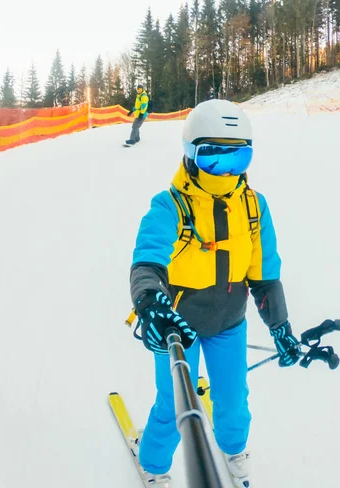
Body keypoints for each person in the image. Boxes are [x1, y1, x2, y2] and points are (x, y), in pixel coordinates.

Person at [129, 99, 301, 487]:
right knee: (172, 405)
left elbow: (265, 276)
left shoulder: (254, 207)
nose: (225, 172)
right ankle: (154, 465)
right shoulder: (170, 206)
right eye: (213, 158)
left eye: (237, 159)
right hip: (177, 326)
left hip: (228, 323)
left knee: (233, 401)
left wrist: (280, 327)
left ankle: (233, 446)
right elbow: (147, 263)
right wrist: (149, 302)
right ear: (190, 154)